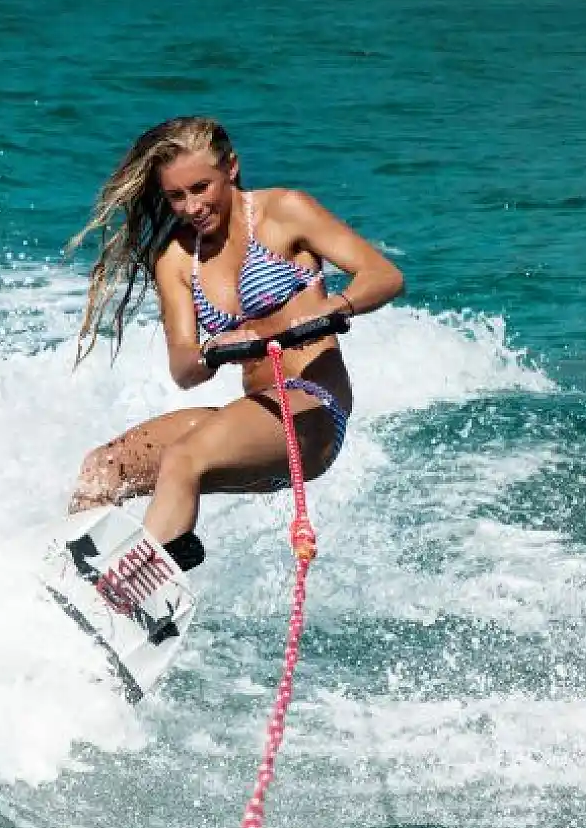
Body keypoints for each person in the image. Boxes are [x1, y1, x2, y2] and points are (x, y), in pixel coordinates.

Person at [65, 116, 405, 569]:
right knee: (103, 469)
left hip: (313, 410)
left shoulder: (284, 211)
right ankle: (85, 582)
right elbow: (184, 369)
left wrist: (336, 306)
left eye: (201, 188)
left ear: (231, 168)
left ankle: (135, 585)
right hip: (252, 419)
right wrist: (212, 352)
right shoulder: (176, 259)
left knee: (183, 458)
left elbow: (385, 275)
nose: (190, 207)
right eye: (176, 196)